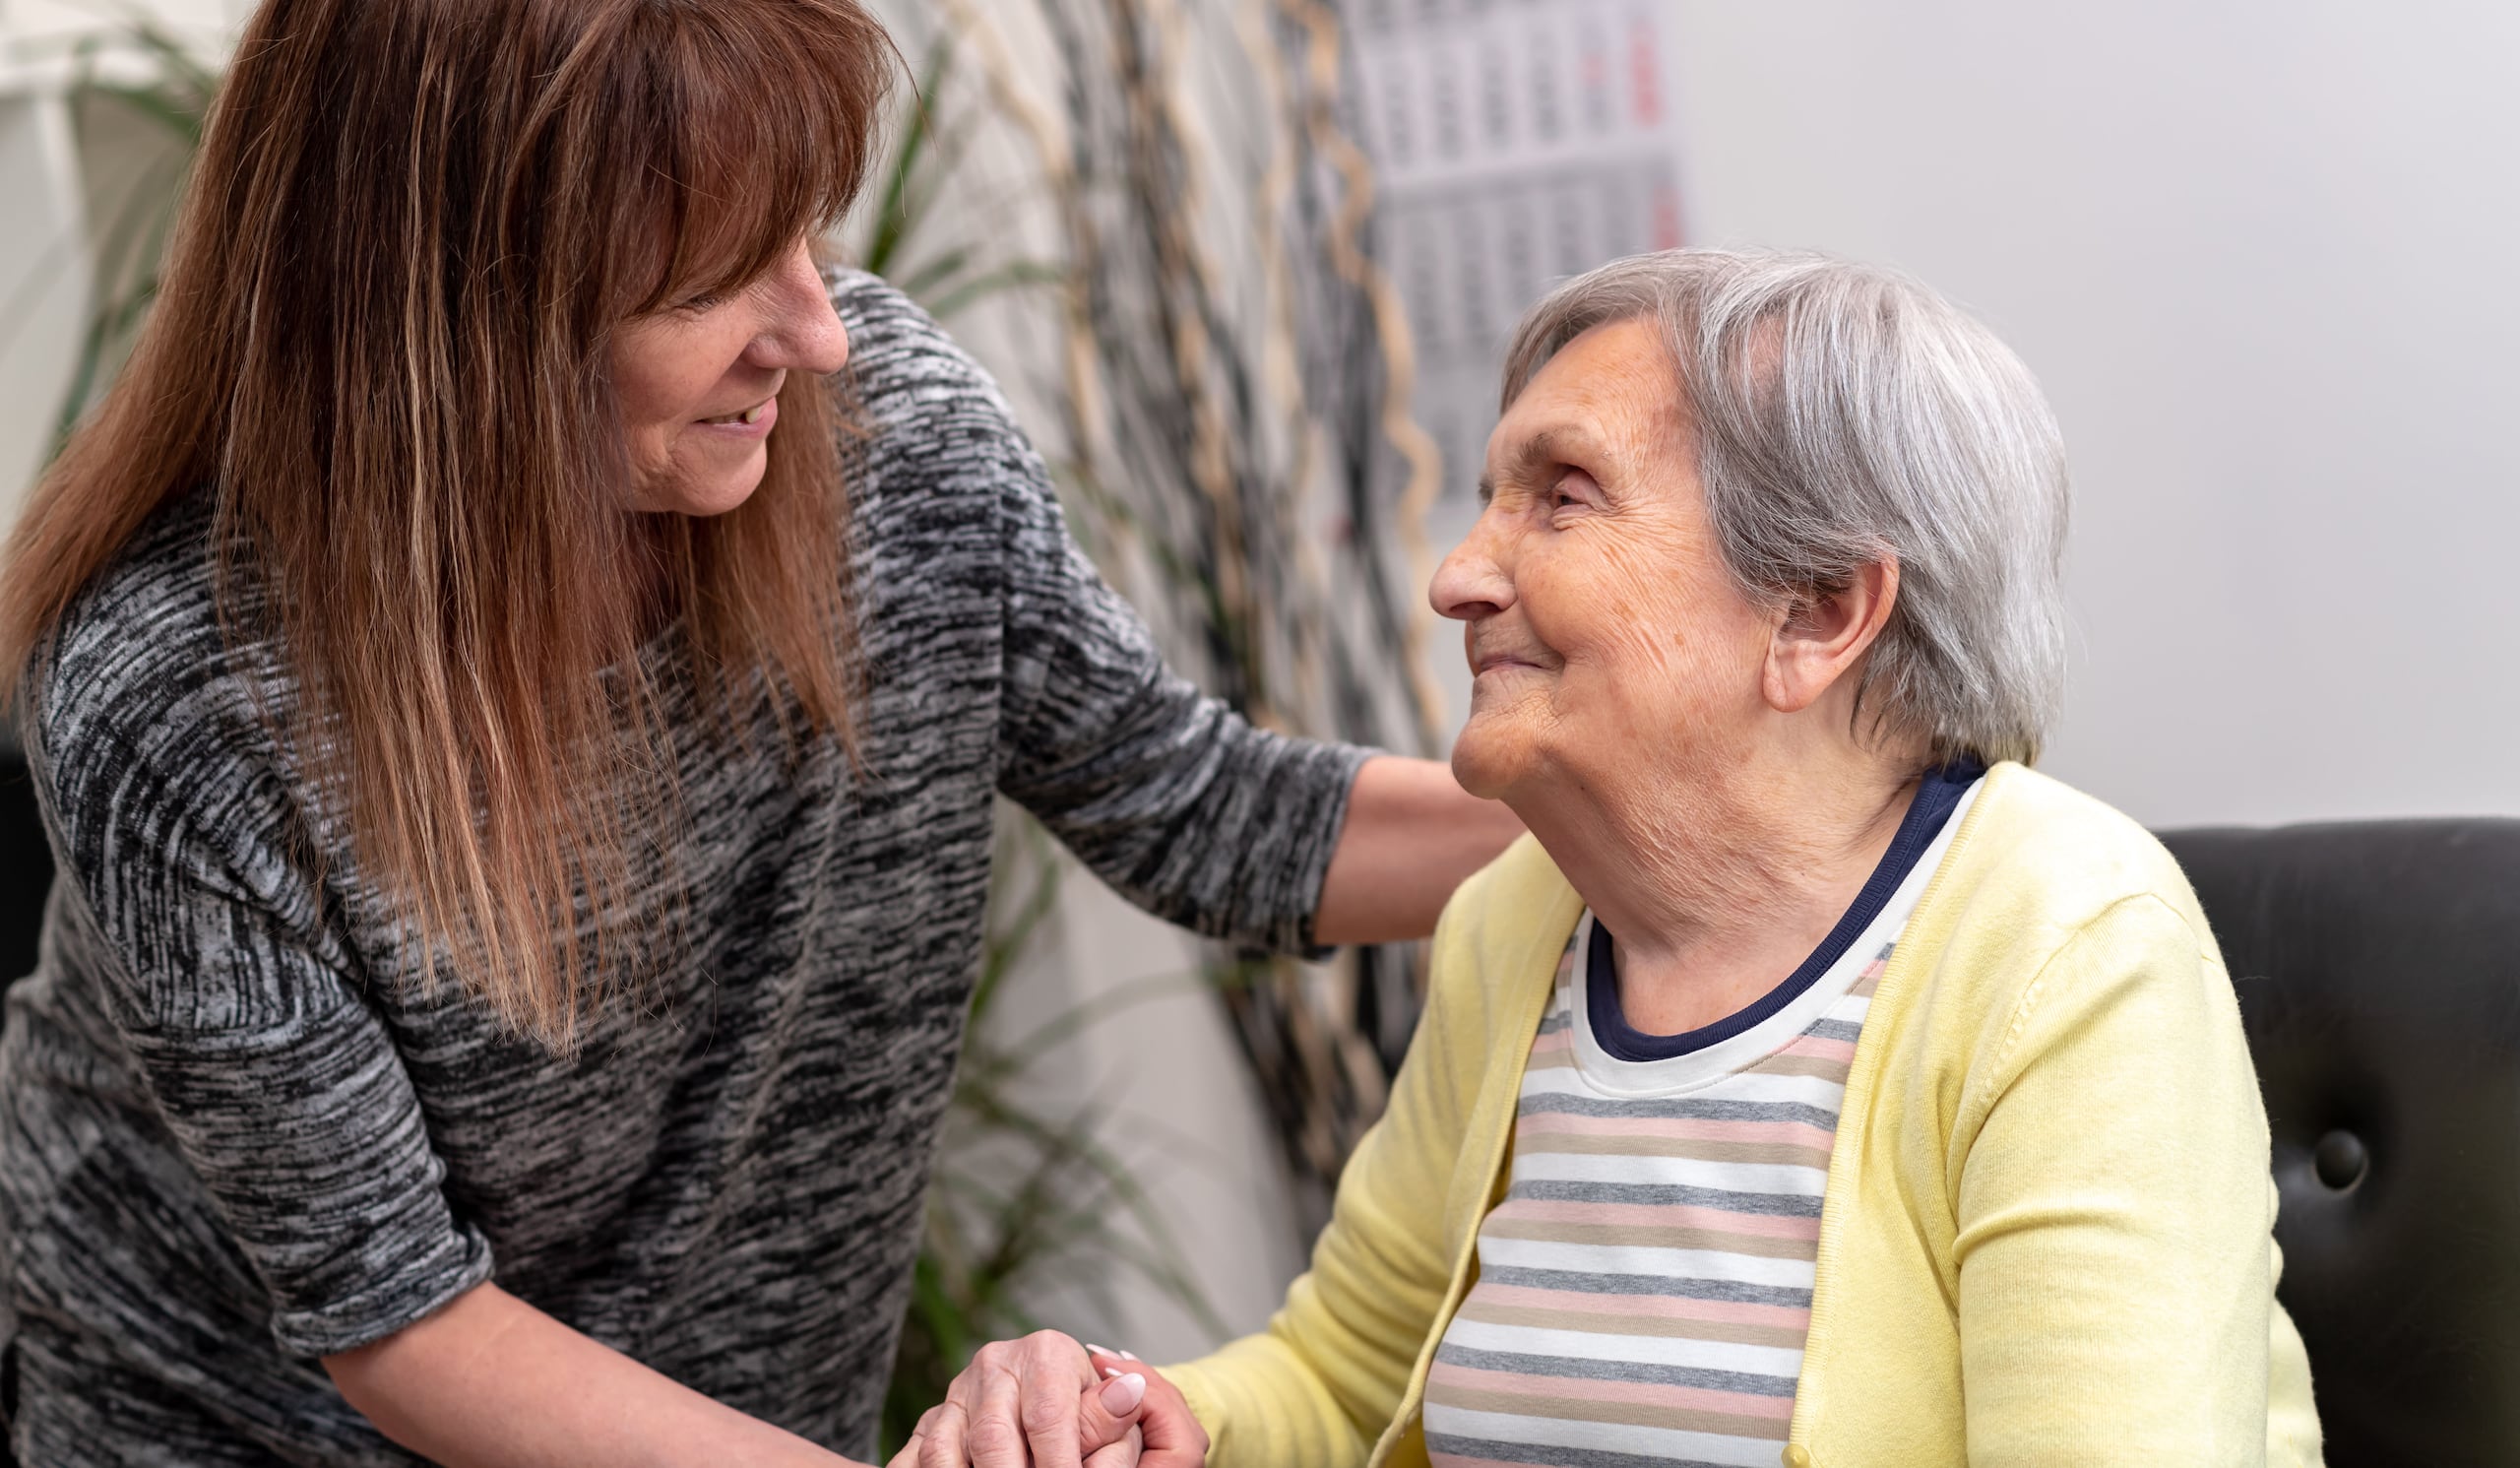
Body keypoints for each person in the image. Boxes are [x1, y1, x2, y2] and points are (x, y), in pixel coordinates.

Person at [0, 1, 1522, 1463]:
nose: (817, 330)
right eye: (711, 279)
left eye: (807, 231)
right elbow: (404, 1322)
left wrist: (1678, 806)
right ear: (458, 319)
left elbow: (1205, 814)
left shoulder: (894, 446)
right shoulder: (174, 698)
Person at [908, 248, 2327, 1468]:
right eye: (1488, 498)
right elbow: (1343, 1378)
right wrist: (1130, 1413)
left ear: (1817, 612)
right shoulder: (1518, 924)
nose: (1460, 574)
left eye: (1562, 496)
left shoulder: (2064, 949)